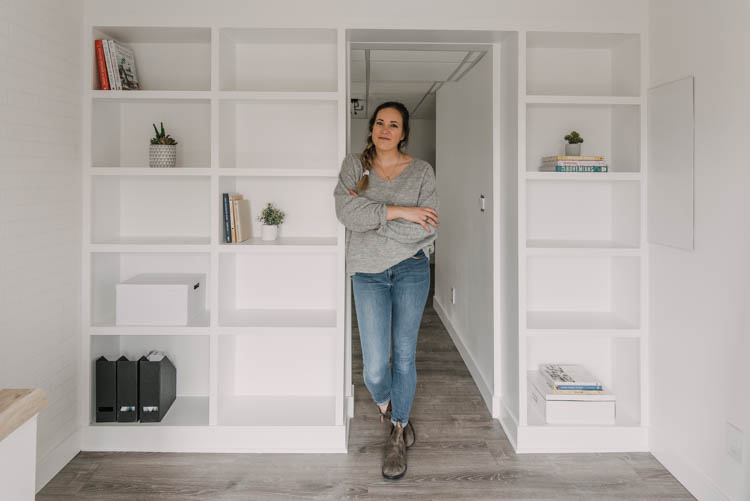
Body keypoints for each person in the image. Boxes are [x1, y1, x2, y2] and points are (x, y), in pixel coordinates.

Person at [333, 101, 439, 480]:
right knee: (376, 366)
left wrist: (374, 216)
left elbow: (426, 228)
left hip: (412, 270)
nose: (385, 129)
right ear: (372, 128)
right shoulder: (354, 166)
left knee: (404, 356)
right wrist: (400, 211)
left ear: (403, 133)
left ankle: (398, 429)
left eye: (393, 125)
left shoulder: (422, 171)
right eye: (380, 122)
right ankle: (386, 406)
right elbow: (346, 213)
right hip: (367, 273)